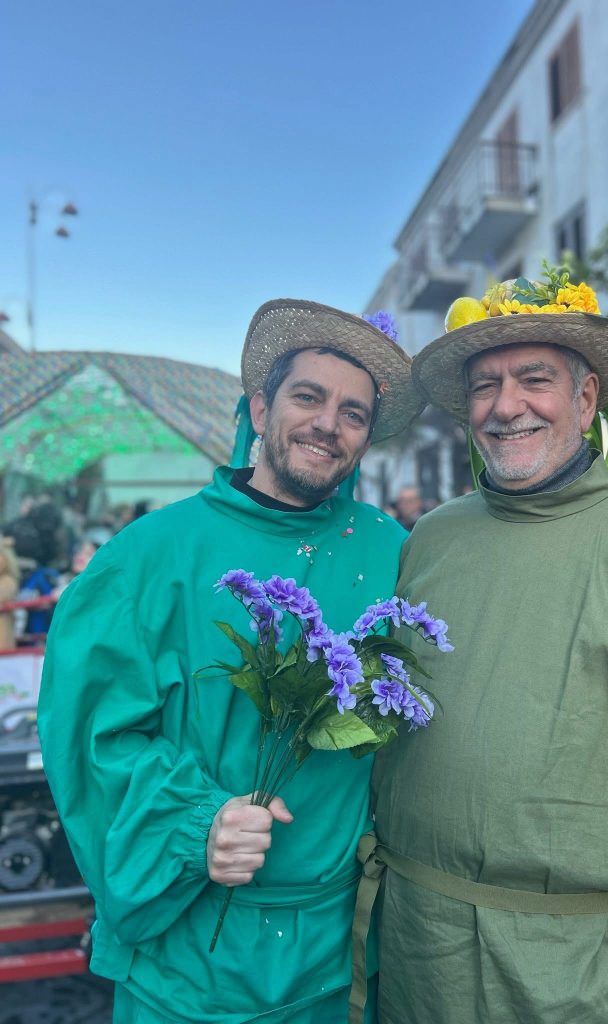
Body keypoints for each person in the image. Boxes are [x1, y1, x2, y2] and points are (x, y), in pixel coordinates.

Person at [365, 277, 608, 1023]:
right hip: (419, 956)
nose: (505, 405)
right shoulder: (430, 539)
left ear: (586, 402)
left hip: (586, 977)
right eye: (484, 386)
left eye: (534, 379)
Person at [38, 299, 424, 1024]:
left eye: (353, 413)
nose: (328, 424)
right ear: (261, 407)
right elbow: (89, 741)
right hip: (189, 967)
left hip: (341, 963)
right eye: (308, 397)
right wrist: (195, 822)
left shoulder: (394, 551)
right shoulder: (146, 558)